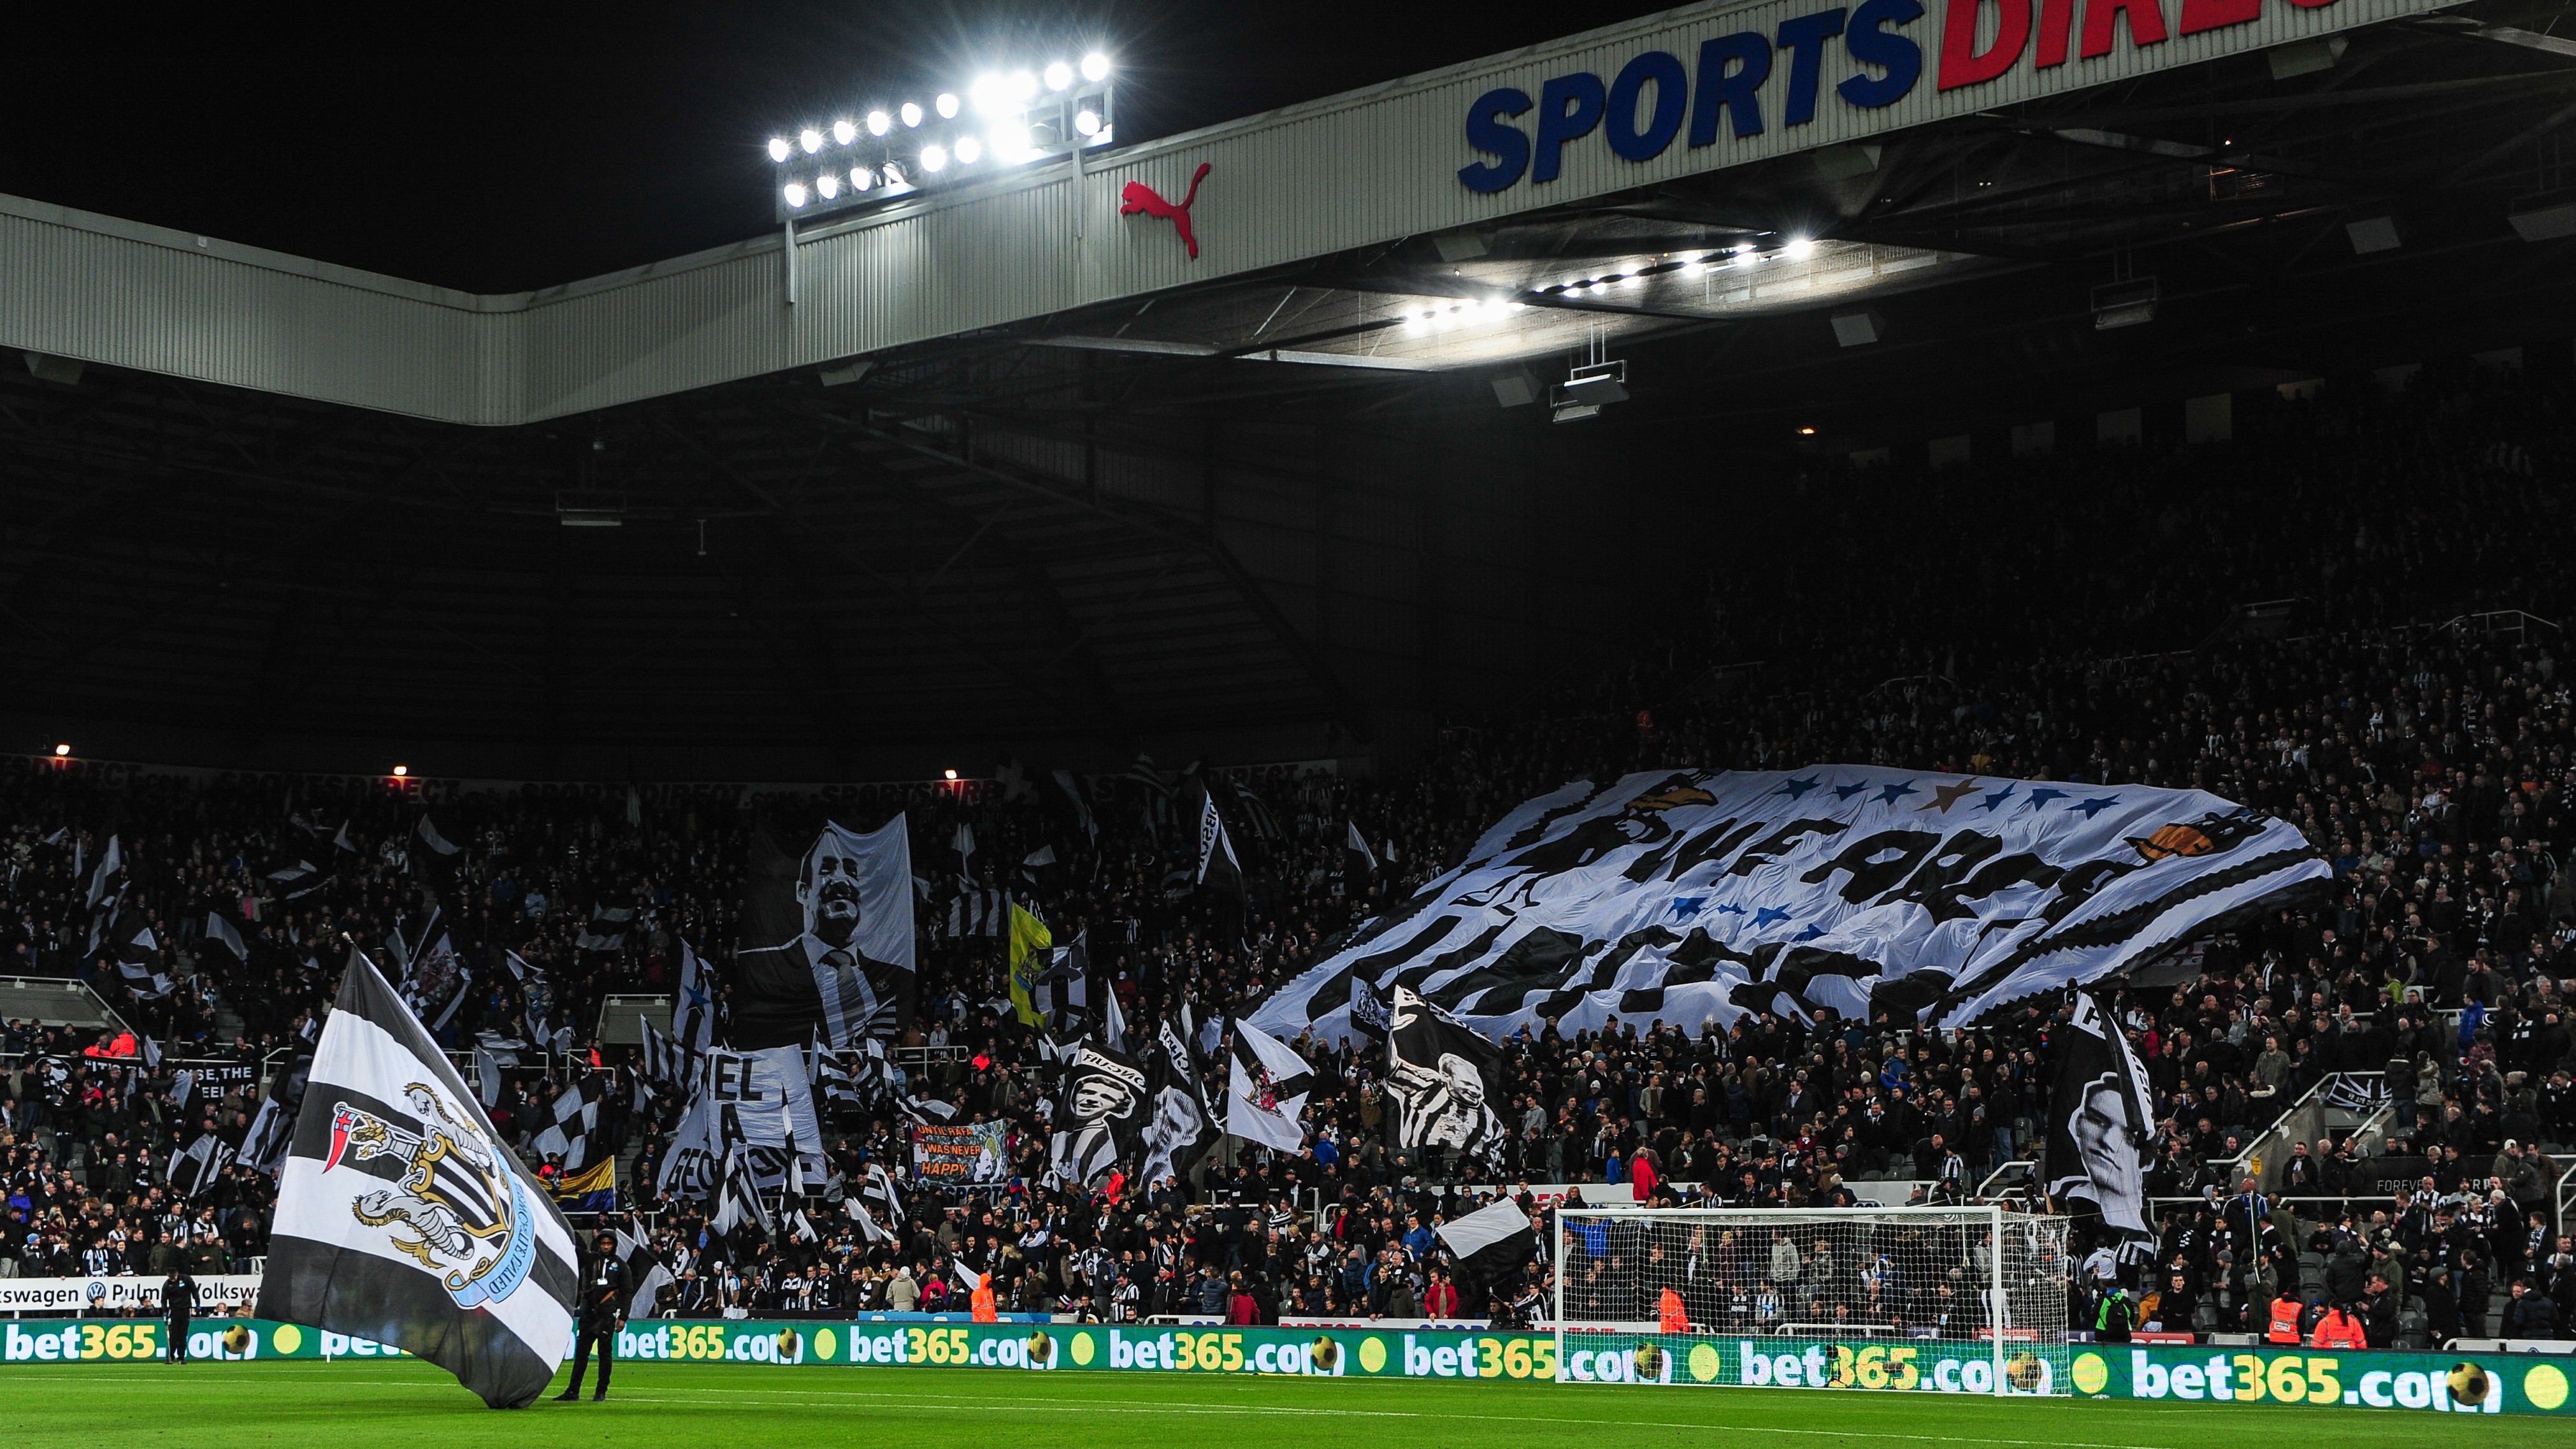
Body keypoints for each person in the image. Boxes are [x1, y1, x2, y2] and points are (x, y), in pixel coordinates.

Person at [556, 1231, 627, 1402]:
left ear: (614, 1245)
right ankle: (573, 1391)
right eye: (603, 1243)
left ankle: (601, 1391)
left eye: (609, 1244)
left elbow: (627, 1292)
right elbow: (574, 1249)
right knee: (581, 1354)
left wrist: (624, 1316)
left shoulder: (621, 1266)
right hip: (589, 1314)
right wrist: (560, 1231)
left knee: (605, 1354)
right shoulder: (591, 1259)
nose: (605, 1246)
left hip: (606, 1315)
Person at [163, 1265, 196, 1364]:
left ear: (177, 1274)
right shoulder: (167, 1285)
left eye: (174, 1278)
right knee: (173, 1335)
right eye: (171, 1278)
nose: (173, 1280)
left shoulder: (186, 1280)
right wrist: (165, 1312)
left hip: (186, 1310)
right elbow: (164, 1300)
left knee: (183, 1335)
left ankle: (181, 1357)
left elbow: (194, 1291)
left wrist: (197, 1303)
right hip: (174, 1311)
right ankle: (170, 1357)